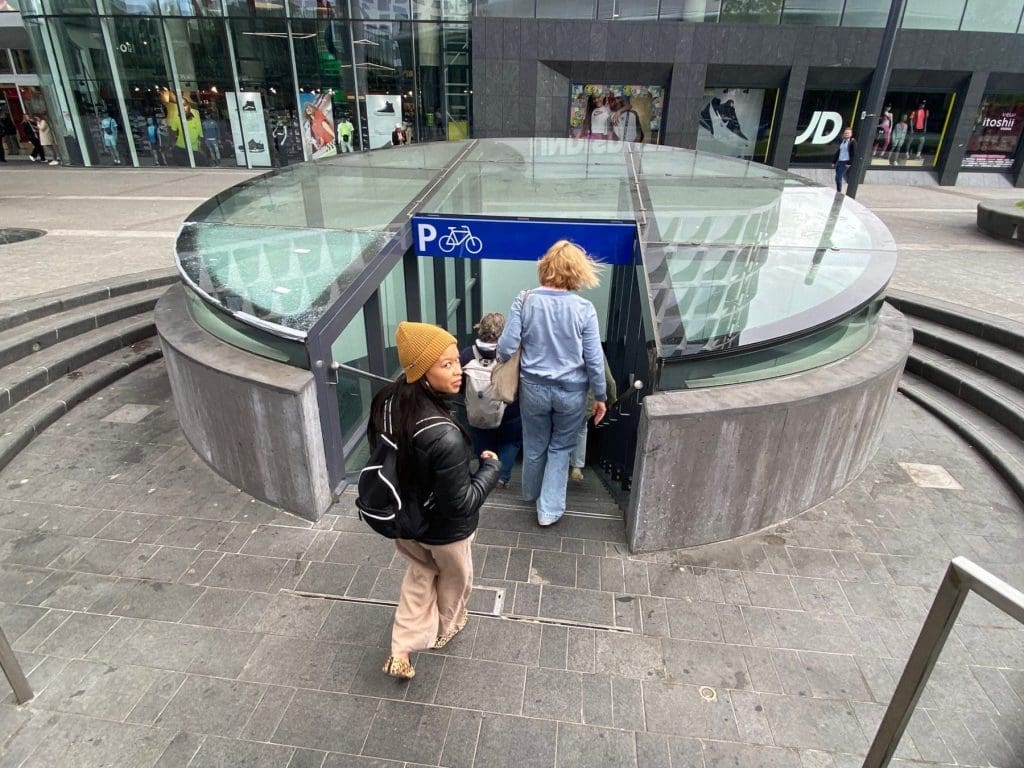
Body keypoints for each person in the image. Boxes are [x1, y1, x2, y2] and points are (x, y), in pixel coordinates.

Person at [369, 321, 500, 680]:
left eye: (456, 360)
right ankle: (448, 627)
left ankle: (401, 649)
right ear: (422, 373)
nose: (458, 370)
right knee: (456, 580)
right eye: (445, 365)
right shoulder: (444, 436)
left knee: (420, 573)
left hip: (405, 518)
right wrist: (490, 470)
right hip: (444, 531)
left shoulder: (387, 401)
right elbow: (460, 503)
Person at [497, 240, 607, 527]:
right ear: (577, 271)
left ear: (545, 267)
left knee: (534, 445)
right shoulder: (585, 309)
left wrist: (501, 356)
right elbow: (595, 360)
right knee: (560, 448)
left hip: (533, 388)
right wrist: (600, 396)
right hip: (571, 392)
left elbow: (507, 346)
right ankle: (548, 511)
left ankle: (530, 495)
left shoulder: (525, 299)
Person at [460, 313, 522, 490]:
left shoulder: (467, 354)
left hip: (480, 410)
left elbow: (461, 384)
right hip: (510, 408)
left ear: (481, 330)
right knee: (510, 441)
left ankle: (485, 477)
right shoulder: (511, 353)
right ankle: (502, 478)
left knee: (483, 439)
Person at [832, 126, 856, 194]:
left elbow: (853, 153)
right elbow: (838, 152)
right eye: (845, 133)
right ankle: (838, 190)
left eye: (848, 133)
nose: (846, 134)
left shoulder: (852, 142)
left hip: (845, 162)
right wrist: (834, 161)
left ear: (851, 134)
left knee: (838, 177)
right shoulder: (843, 142)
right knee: (837, 177)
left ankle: (839, 192)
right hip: (840, 161)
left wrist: (849, 163)